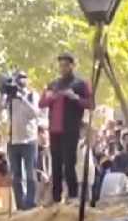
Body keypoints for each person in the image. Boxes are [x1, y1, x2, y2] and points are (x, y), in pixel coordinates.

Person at [39, 53, 94, 203]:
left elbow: (91, 104)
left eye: (66, 65)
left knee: (69, 164)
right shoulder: (53, 84)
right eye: (61, 65)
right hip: (54, 129)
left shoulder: (80, 84)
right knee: (55, 165)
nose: (63, 68)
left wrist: (75, 97)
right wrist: (50, 97)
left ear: (72, 66)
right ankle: (56, 198)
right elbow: (41, 103)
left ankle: (73, 196)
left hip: (70, 129)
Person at [0, 72, 40, 210]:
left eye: (23, 77)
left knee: (30, 174)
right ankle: (20, 205)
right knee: (15, 175)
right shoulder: (9, 97)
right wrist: (2, 93)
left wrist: (21, 98)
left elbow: (35, 113)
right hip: (13, 141)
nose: (20, 80)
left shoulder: (31, 95)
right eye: (17, 78)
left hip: (29, 140)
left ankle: (30, 204)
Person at [36, 123, 53, 206]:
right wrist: (41, 173)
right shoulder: (34, 150)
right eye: (39, 133)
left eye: (44, 133)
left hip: (51, 180)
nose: (42, 136)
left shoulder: (53, 149)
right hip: (39, 180)